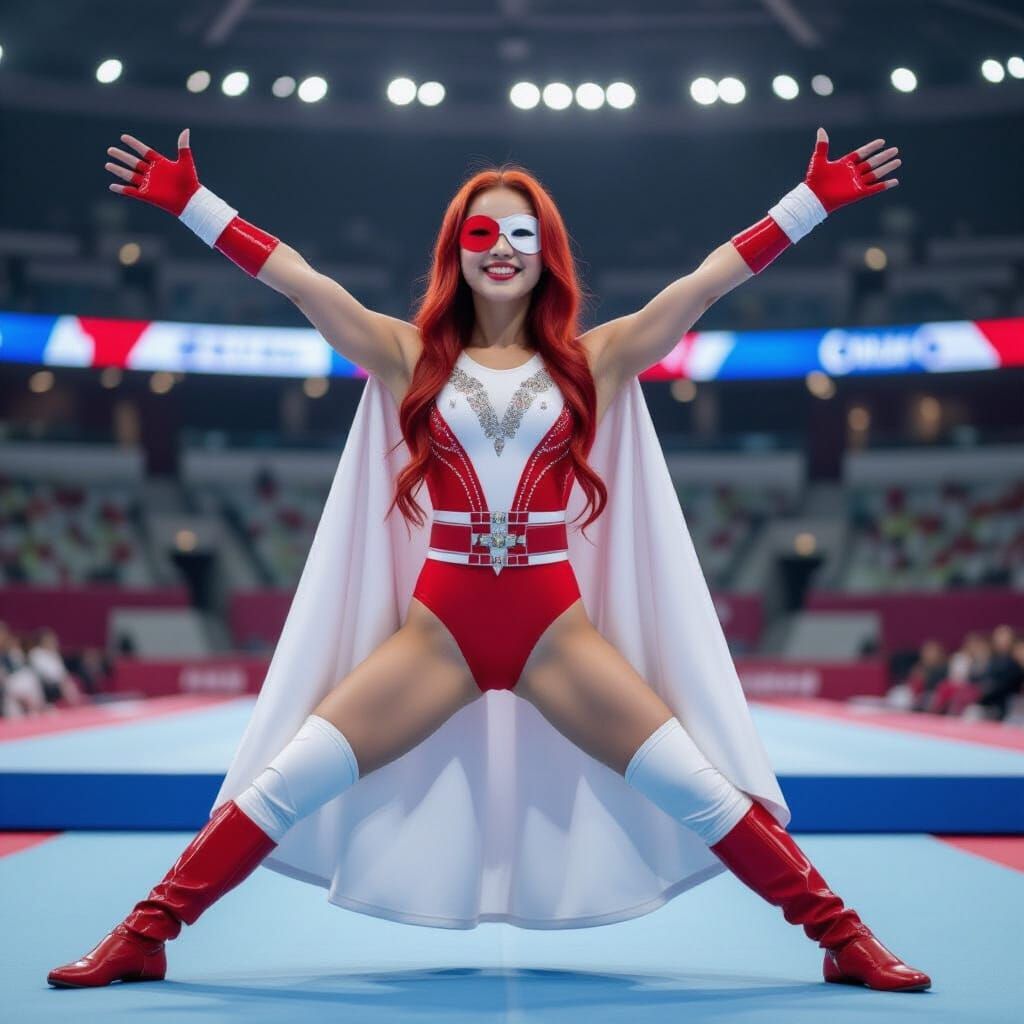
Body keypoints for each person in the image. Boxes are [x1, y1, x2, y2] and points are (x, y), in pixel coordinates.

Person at [47, 126, 928, 993]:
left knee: (703, 790)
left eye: (520, 233)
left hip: (557, 636)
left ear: (547, 253)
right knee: (283, 782)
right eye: (481, 232)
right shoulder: (406, 355)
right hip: (437, 636)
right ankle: (144, 936)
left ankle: (843, 939)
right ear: (455, 252)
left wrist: (808, 204)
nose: (501, 248)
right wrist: (194, 204)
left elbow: (704, 284)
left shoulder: (598, 359)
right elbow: (302, 282)